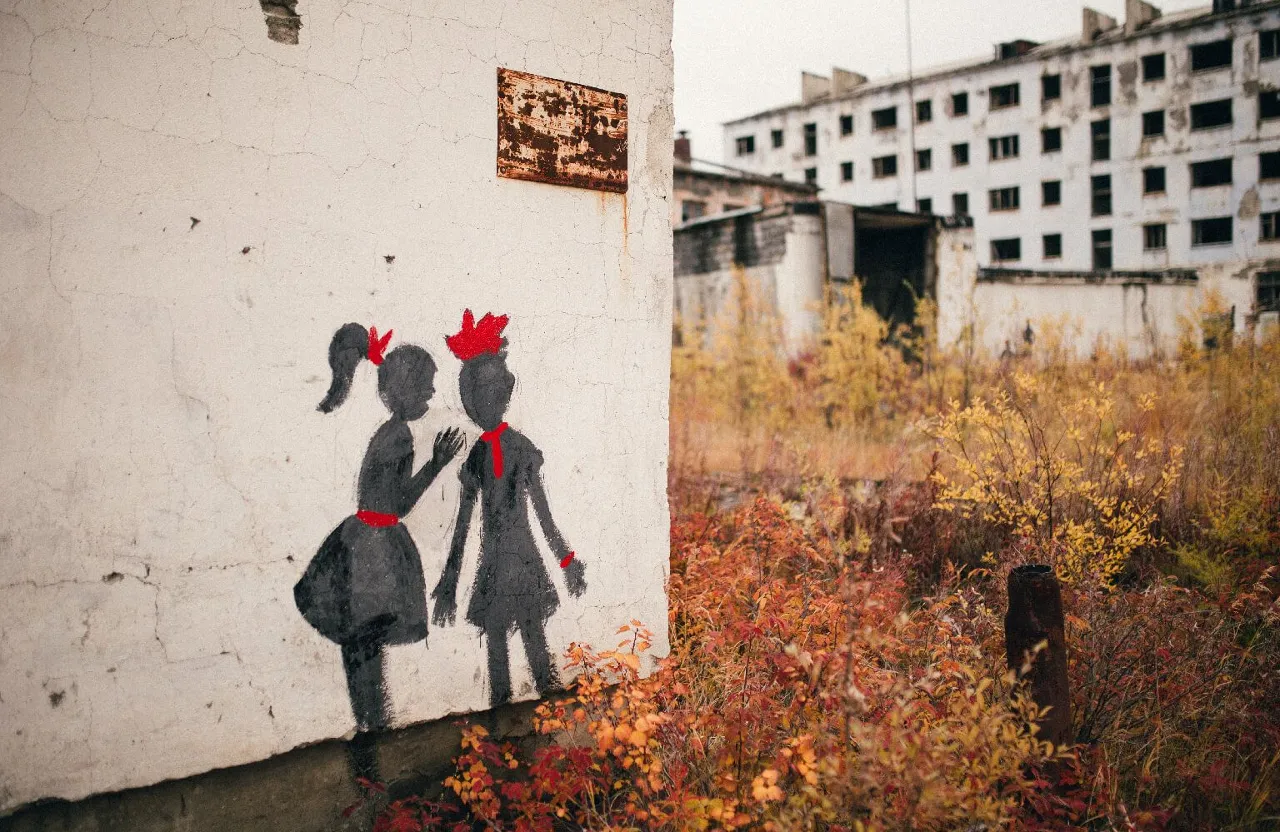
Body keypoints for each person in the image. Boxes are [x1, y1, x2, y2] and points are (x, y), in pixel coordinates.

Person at [294, 323, 464, 776]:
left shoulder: (390, 432)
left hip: (364, 541)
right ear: (403, 390)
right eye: (425, 384)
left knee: (363, 645)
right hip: (376, 550)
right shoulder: (399, 437)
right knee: (366, 645)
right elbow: (399, 502)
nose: (431, 392)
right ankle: (372, 734)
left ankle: (370, 732)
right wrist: (437, 464)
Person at [431, 310, 587, 708]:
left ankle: (548, 714)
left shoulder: (519, 450)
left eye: (484, 395)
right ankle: (506, 717)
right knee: (500, 648)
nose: (478, 405)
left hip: (515, 562)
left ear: (500, 394)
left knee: (532, 642)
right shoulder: (481, 455)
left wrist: (567, 561)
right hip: (498, 564)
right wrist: (449, 581)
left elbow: (542, 515)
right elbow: (464, 525)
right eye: (473, 398)